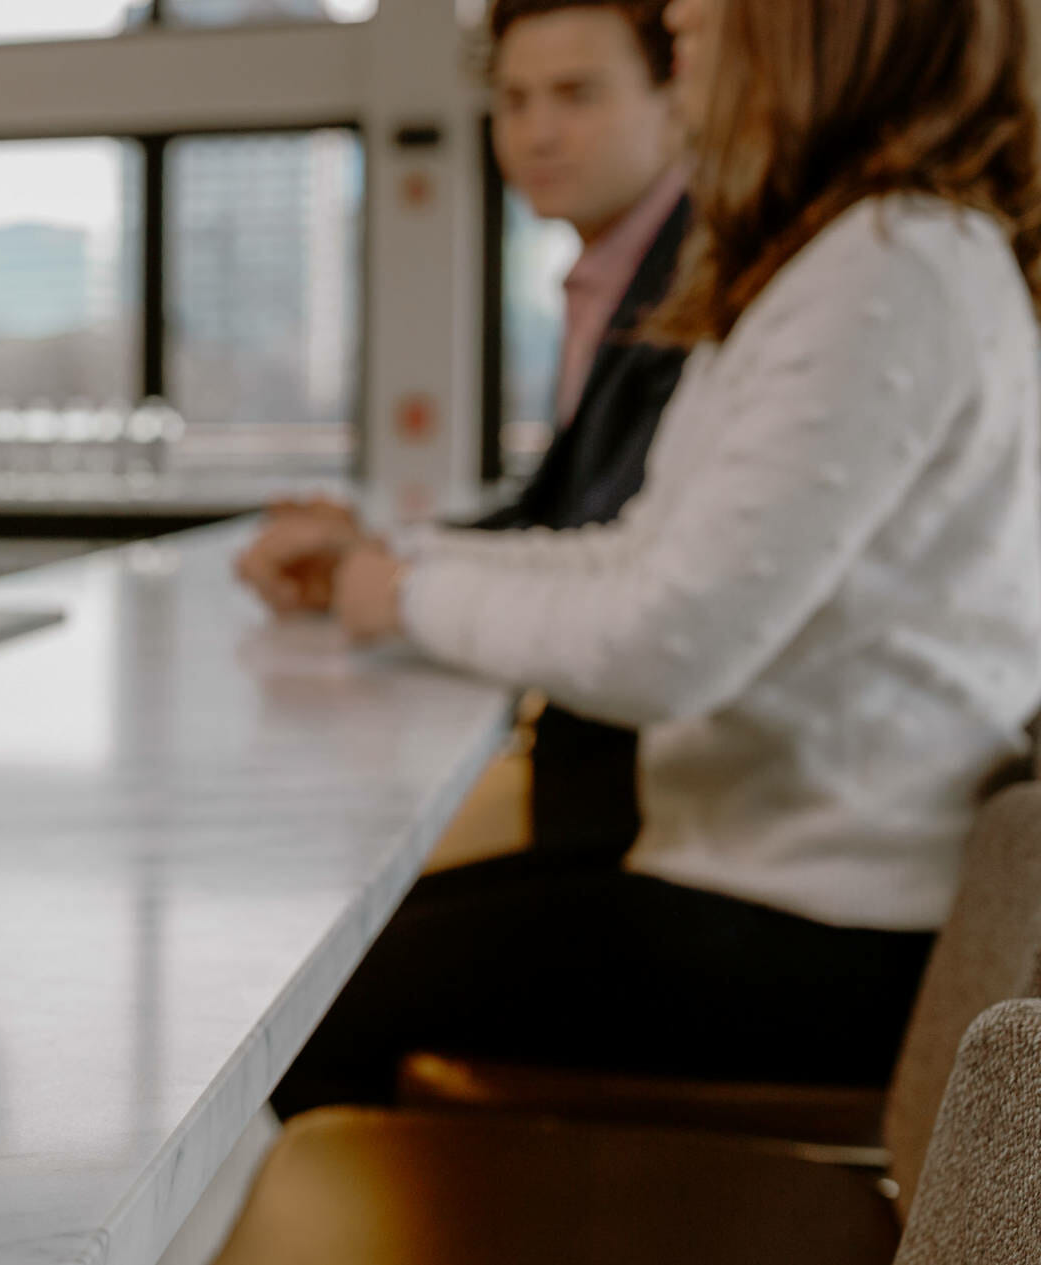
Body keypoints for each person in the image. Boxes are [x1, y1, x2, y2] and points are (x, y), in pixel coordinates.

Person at [271, 0, 1041, 1118]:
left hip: (823, 924)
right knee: (341, 956)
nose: (677, 10)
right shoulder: (863, 250)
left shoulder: (888, 264)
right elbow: (639, 558)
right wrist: (400, 565)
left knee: (315, 1004)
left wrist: (406, 589)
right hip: (779, 882)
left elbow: (667, 646)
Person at [242, 0, 694, 863]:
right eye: (515, 101)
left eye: (577, 94)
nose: (537, 133)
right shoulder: (616, 273)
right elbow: (554, 513)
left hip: (655, 815)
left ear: (675, 97)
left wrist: (389, 574)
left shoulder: (696, 276)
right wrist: (377, 551)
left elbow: (604, 545)